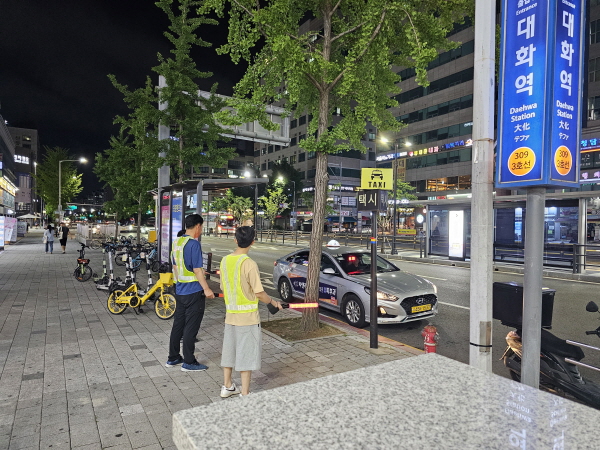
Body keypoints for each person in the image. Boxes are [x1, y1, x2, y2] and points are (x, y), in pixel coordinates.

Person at [219, 226, 283, 397]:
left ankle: (227, 386)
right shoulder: (249, 264)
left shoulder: (225, 261)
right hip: (247, 318)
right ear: (252, 242)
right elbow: (259, 293)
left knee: (229, 351)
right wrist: (274, 302)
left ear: (235, 240)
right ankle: (245, 394)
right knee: (246, 354)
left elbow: (223, 287)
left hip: (230, 315)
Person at [165, 214, 214, 372]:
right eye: (202, 227)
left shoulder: (177, 242)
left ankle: (173, 357)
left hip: (180, 290)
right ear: (198, 226)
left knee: (178, 325)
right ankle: (189, 362)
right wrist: (206, 288)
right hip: (194, 291)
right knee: (191, 327)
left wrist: (179, 284)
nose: (201, 230)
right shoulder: (193, 244)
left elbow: (176, 267)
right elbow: (197, 269)